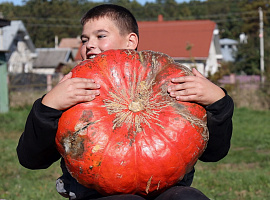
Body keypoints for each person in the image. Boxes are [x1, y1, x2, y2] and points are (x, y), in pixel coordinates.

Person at [17, 4, 234, 200]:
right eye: (84, 40)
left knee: (188, 199)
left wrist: (219, 102)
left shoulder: (166, 83)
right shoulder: (73, 91)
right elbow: (31, 159)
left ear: (131, 42)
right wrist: (48, 107)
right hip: (95, 195)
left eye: (100, 36)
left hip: (167, 190)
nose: (89, 45)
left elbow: (214, 153)